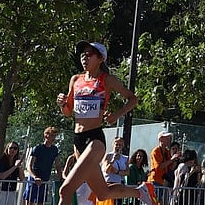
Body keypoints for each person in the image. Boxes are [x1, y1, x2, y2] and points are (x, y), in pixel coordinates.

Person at [55, 41, 157, 205]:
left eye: (89, 54)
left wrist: (116, 115)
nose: (84, 57)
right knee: (102, 193)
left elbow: (133, 99)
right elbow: (68, 112)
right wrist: (62, 104)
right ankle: (141, 191)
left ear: (100, 58)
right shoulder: (75, 80)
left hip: (95, 140)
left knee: (65, 191)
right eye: (82, 54)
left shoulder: (107, 80)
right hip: (78, 140)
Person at [24, 127, 63, 205]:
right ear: (46, 136)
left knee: (41, 202)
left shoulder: (54, 149)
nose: (53, 138)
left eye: (54, 136)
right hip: (34, 180)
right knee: (29, 201)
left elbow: (58, 165)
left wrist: (61, 178)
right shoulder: (38, 148)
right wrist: (35, 177)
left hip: (45, 180)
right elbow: (29, 165)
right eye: (51, 135)